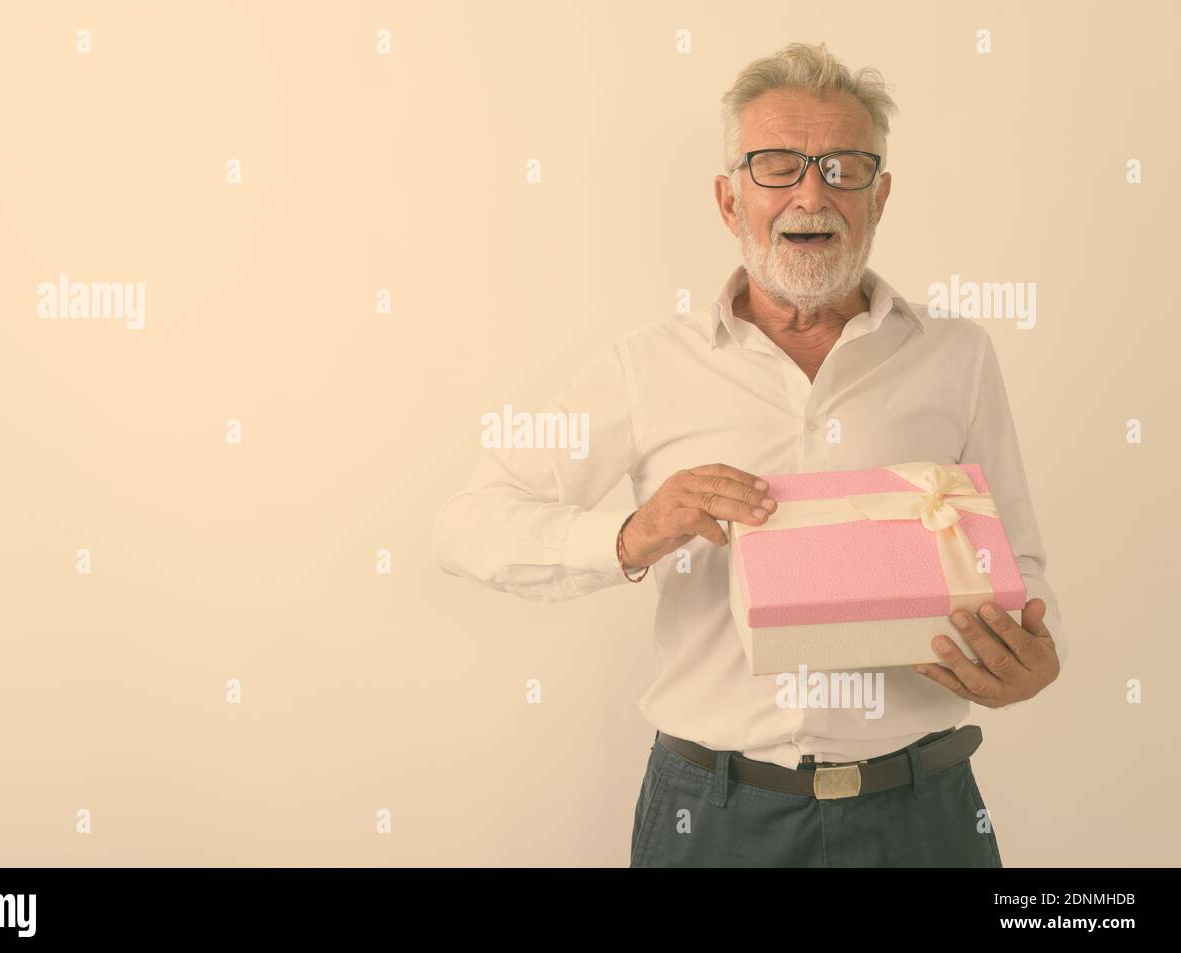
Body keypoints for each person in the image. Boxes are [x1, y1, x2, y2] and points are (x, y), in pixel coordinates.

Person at [431, 41, 1065, 867]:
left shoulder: (958, 356)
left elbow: (1017, 561)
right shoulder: (643, 367)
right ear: (730, 201)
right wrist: (634, 533)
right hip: (714, 817)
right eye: (777, 166)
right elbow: (465, 525)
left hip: (922, 816)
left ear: (880, 197)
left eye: (844, 168)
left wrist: (1029, 655)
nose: (813, 192)